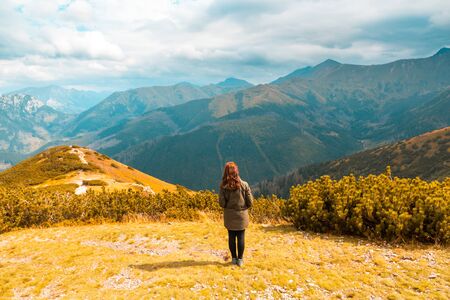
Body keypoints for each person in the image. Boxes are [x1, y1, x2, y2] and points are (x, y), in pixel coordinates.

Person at [219, 162, 254, 267]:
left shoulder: (223, 187)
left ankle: (233, 258)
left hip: (229, 216)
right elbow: (250, 202)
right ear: (236, 172)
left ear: (225, 172)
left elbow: (222, 203)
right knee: (241, 237)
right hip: (241, 215)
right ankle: (240, 260)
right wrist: (243, 209)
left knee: (231, 237)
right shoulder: (244, 185)